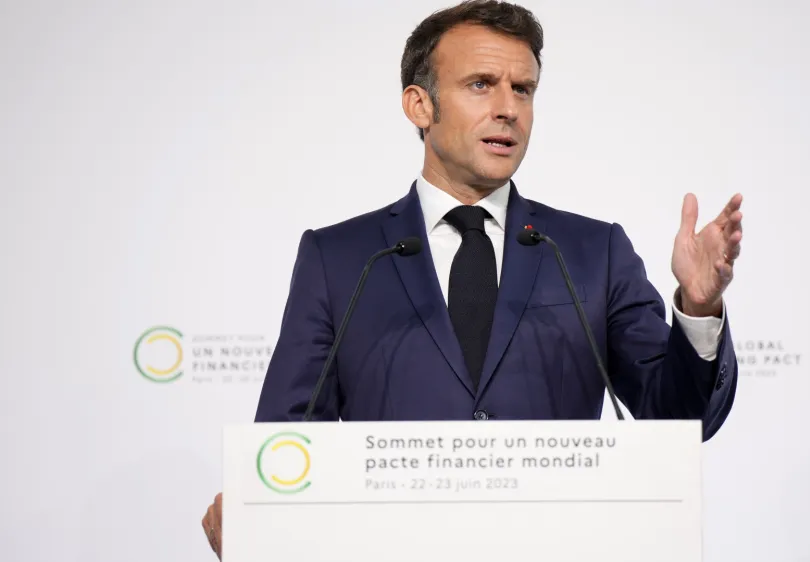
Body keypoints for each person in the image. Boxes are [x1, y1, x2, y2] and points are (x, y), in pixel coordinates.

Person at [201, 0, 743, 557]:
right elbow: (287, 443)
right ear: (419, 105)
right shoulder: (340, 258)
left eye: (523, 89)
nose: (509, 108)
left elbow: (678, 422)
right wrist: (259, 516)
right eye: (482, 84)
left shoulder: (589, 251)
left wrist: (698, 309)